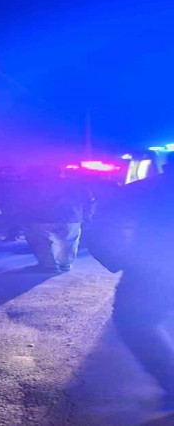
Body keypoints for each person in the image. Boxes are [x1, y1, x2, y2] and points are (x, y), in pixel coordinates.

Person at [86, 154, 174, 406]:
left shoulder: (140, 191)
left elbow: (102, 229)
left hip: (155, 270)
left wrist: (124, 260)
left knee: (137, 321)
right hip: (154, 269)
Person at [21, 165, 95, 272]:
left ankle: (48, 265)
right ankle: (65, 264)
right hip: (70, 217)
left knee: (42, 243)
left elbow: (24, 202)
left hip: (40, 218)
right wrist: (86, 215)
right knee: (67, 242)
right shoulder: (75, 184)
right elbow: (89, 200)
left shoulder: (33, 185)